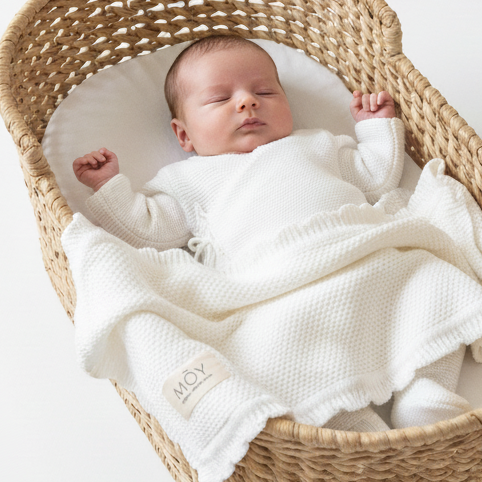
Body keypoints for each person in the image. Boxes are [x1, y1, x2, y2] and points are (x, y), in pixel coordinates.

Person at [71, 35, 472, 431]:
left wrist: (376, 128)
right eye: (220, 99)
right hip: (274, 291)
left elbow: (376, 177)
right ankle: (346, 422)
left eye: (264, 91)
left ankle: (425, 389)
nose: (247, 102)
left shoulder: (317, 144)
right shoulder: (187, 181)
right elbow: (148, 232)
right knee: (274, 352)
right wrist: (109, 187)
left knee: (430, 281)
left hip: (363, 255)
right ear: (184, 135)